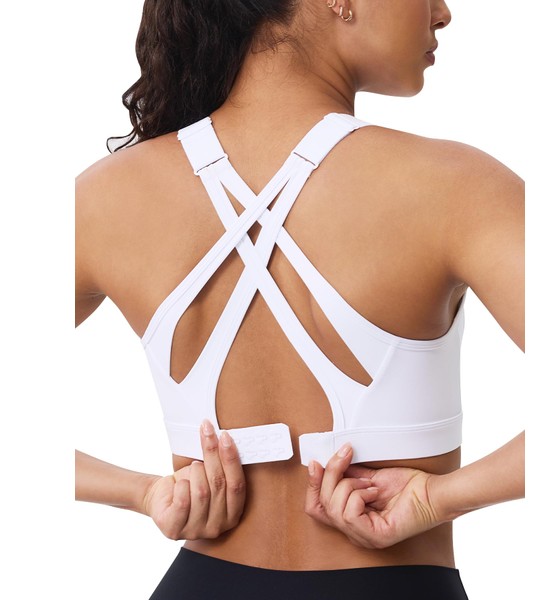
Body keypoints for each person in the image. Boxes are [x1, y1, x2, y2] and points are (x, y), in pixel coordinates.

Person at [75, 0, 525, 598]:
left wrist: (142, 493)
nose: (442, 13)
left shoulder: (103, 199)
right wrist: (436, 499)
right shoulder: (457, 186)